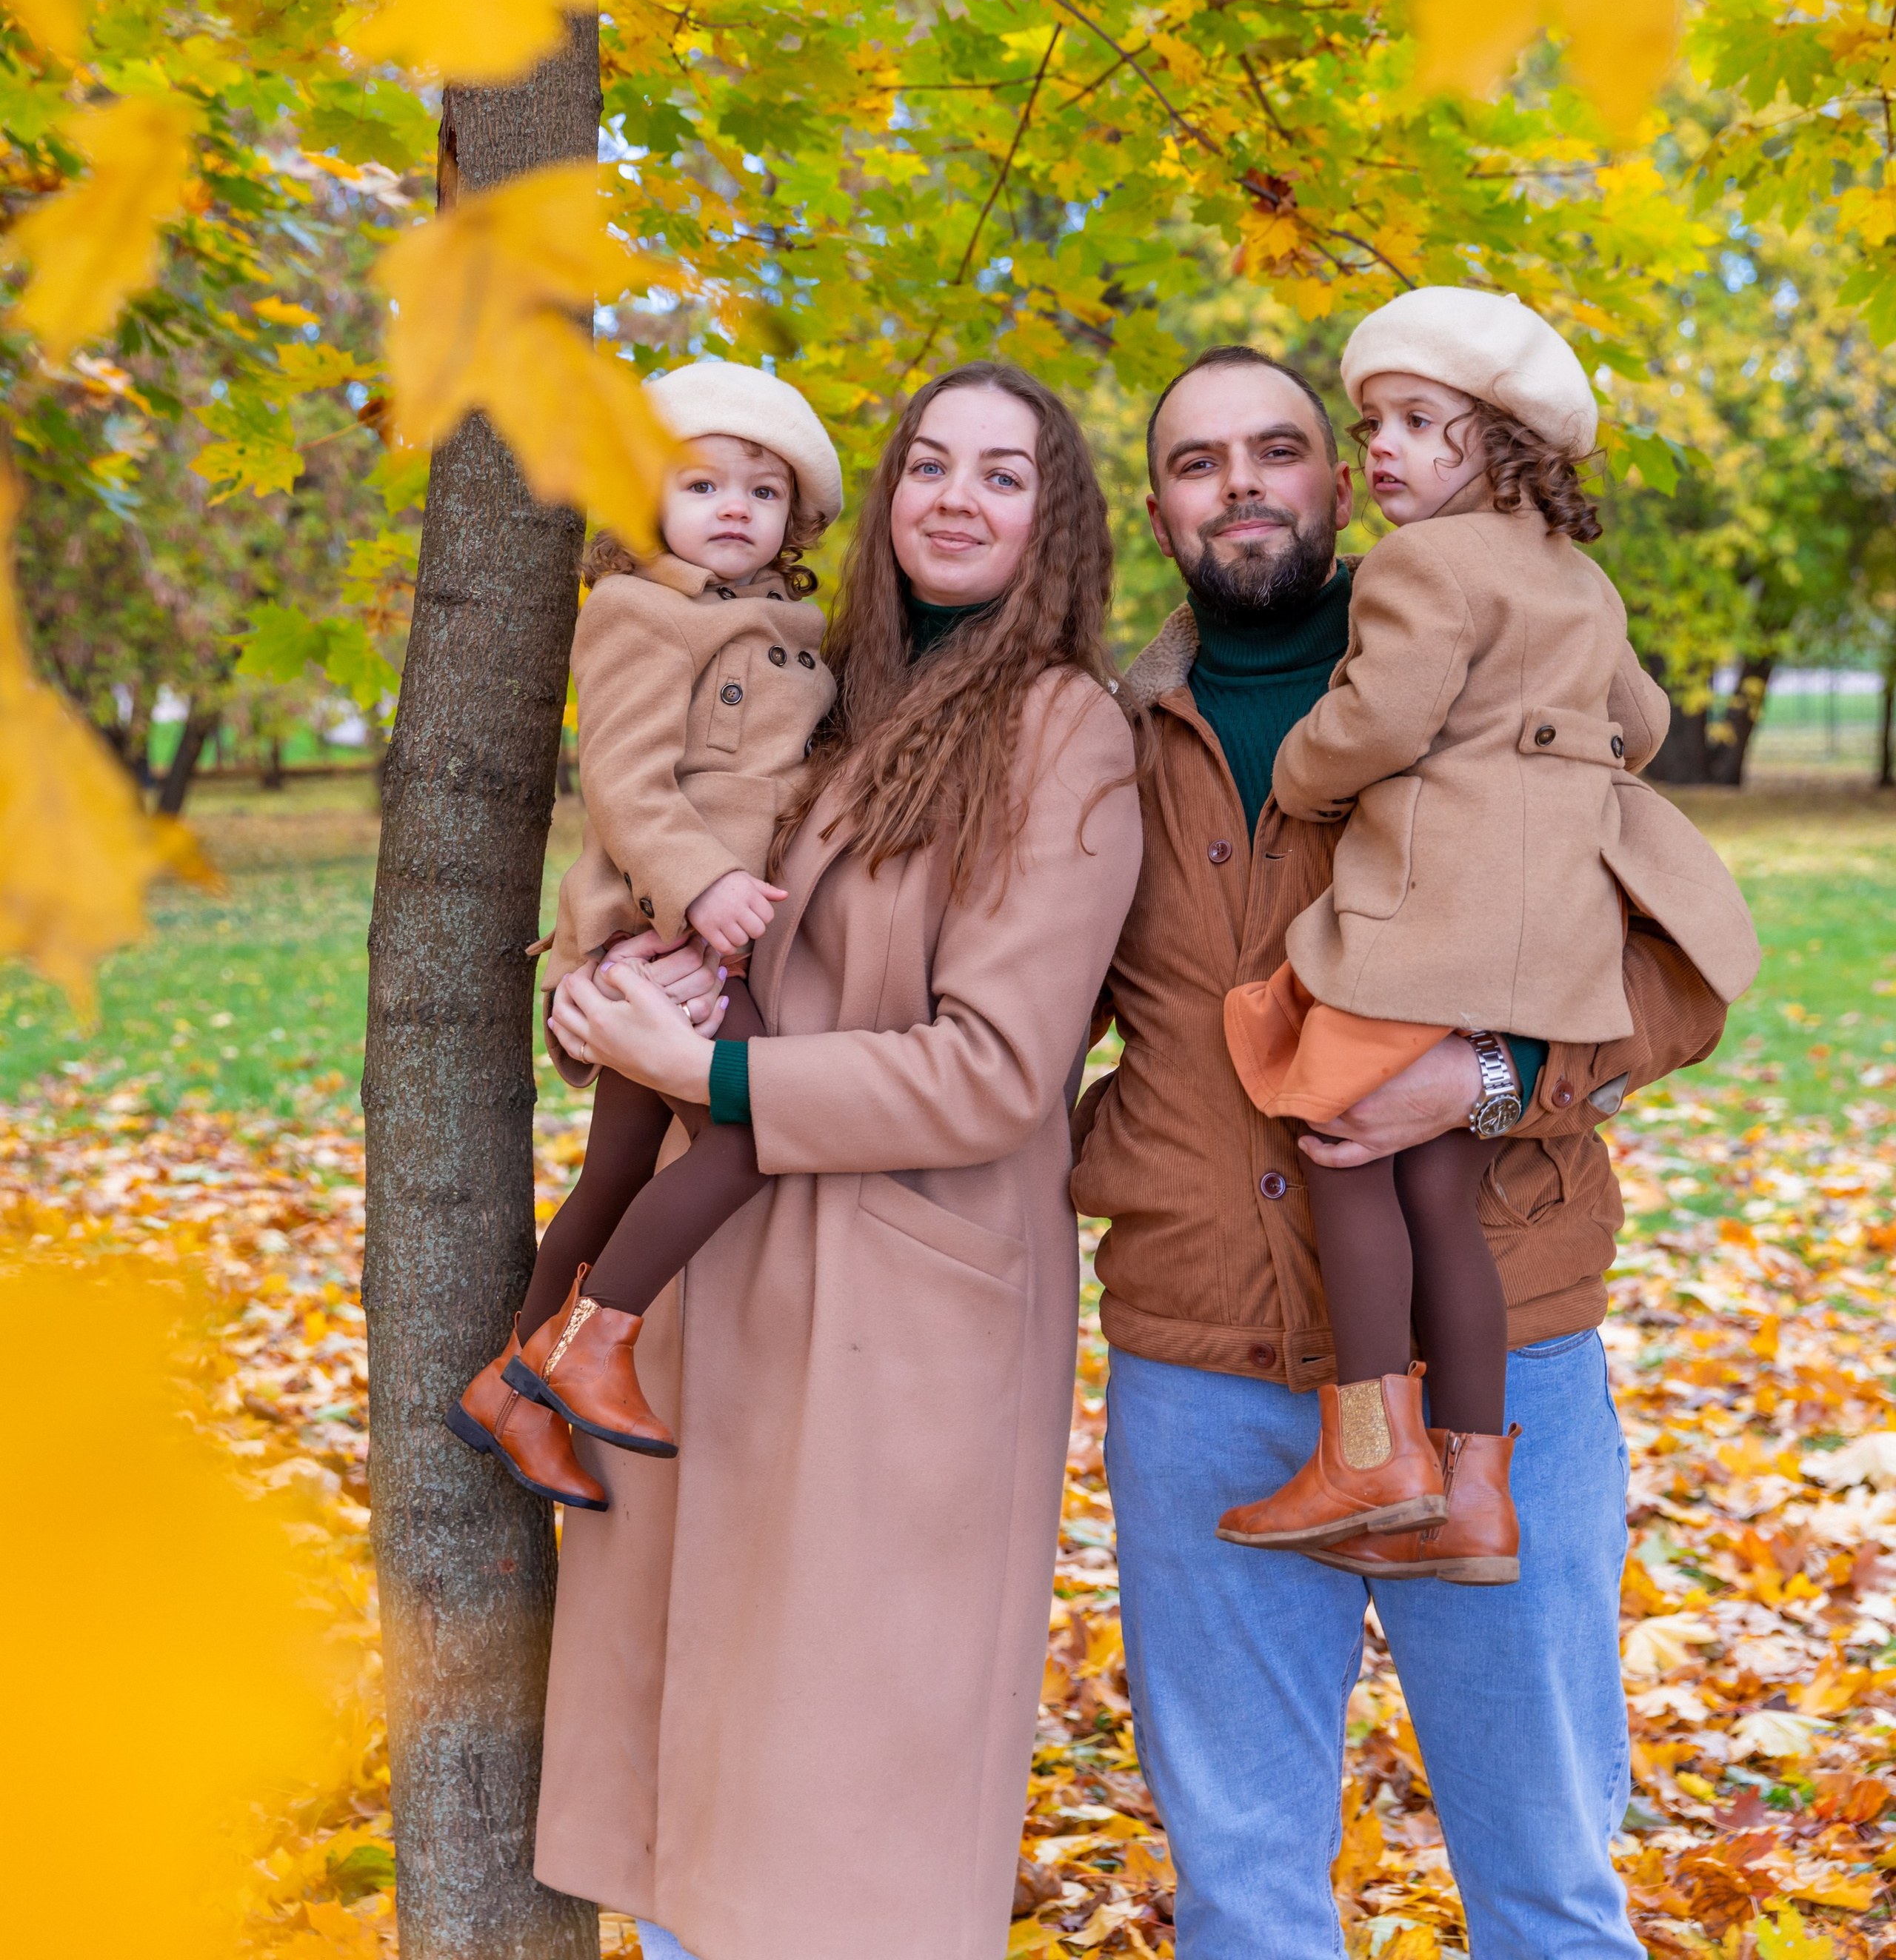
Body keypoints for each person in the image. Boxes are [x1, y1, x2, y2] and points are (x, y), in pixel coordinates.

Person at [1072, 339, 1760, 1960]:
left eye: (1278, 448)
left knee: (1540, 1880)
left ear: (1338, 479)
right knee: (1240, 1891)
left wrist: (1490, 1081)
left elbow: (1668, 980)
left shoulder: (1499, 675)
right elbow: (976, 1011)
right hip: (1202, 1371)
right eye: (1193, 461)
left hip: (1500, 1370)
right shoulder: (1103, 739)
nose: (1238, 483)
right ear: (1160, 507)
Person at [531, 363, 1143, 1960]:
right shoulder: (816, 687)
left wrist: (712, 1069)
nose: (954, 495)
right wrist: (599, 999)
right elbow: (664, 871)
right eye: (927, 464)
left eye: (1001, 476)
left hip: (899, 1301)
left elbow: (996, 1071)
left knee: (840, 1814)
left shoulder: (1058, 729)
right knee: (686, 1791)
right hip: (711, 1281)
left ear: (1052, 525)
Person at [1214, 288, 1734, 1578]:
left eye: (1416, 423)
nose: (1380, 448)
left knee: (1339, 1144)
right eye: (1371, 423)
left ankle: (1370, 1448)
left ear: (1495, 442)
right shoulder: (1577, 582)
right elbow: (1645, 726)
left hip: (1415, 933)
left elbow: (1382, 721)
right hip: (1532, 960)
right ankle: (1476, 1495)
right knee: (1438, 1188)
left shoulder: (1418, 565)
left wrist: (1301, 771)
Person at [450, 358, 842, 1510]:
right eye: (703, 484)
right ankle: (591, 1342)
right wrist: (703, 886)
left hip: (716, 938)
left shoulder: (797, 632)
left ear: (795, 520)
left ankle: (512, 1394)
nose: (735, 509)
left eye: (763, 494)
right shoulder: (636, 612)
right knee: (745, 1132)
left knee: (621, 1158)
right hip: (652, 933)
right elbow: (622, 782)